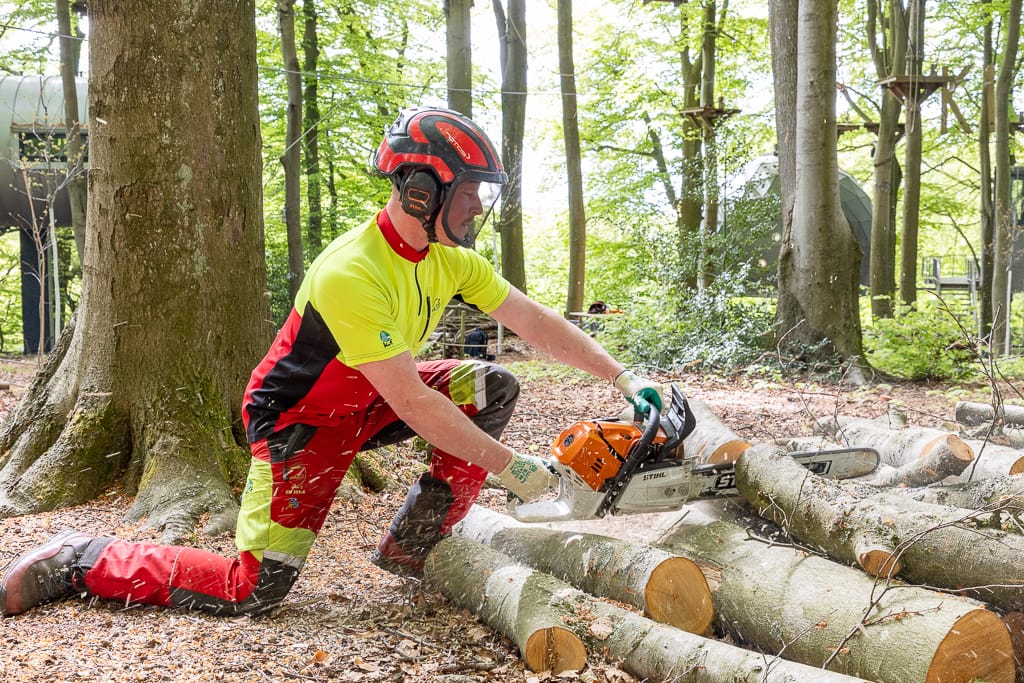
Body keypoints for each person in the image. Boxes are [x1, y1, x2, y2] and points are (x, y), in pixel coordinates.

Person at [0, 106, 665, 618]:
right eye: (468, 192)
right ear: (421, 190)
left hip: (371, 398)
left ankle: (418, 546)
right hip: (301, 422)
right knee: (252, 588)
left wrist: (622, 375)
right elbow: (414, 403)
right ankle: (81, 558)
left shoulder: (448, 258)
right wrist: (514, 468)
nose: (478, 207)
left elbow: (532, 318)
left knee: (489, 384)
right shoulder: (353, 272)